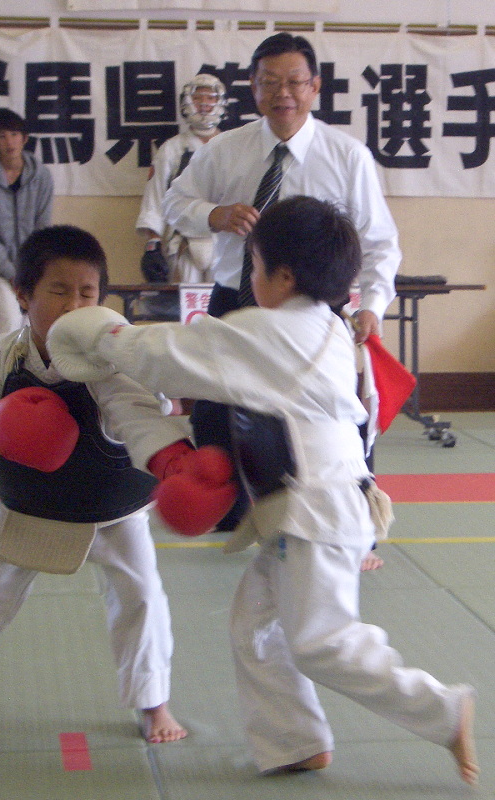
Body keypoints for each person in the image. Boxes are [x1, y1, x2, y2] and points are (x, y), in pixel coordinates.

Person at [46, 196, 478, 787]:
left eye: (253, 267)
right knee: (256, 626)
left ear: (282, 275)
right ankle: (294, 741)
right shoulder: (326, 325)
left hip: (317, 513)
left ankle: (444, 709)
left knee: (322, 641)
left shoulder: (267, 332)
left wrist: (97, 334)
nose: (249, 281)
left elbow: (165, 355)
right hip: (308, 510)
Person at [0, 224, 199, 744]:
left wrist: (173, 459)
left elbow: (141, 417)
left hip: (113, 509)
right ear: (23, 294)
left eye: (86, 292)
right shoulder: (3, 356)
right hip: (30, 508)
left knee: (143, 595)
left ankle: (154, 704)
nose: (72, 304)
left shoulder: (111, 357)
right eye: (58, 290)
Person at [162, 33, 401, 549]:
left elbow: (380, 244)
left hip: (318, 313)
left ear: (315, 87)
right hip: (236, 299)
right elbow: (174, 203)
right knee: (215, 412)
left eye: (295, 82)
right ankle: (230, 517)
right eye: (269, 82)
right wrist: (213, 215)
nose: (283, 93)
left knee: (339, 417)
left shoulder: (347, 156)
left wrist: (373, 308)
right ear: (253, 90)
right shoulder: (225, 151)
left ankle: (356, 530)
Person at [136, 73, 227, 284]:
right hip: (183, 240)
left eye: (210, 98)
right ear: (187, 102)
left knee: (222, 308)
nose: (204, 104)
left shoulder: (232, 146)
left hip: (223, 241)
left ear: (220, 102)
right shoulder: (171, 149)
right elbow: (155, 197)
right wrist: (153, 245)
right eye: (198, 98)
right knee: (186, 309)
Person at [0, 108, 54, 335]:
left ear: (25, 138)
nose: (10, 142)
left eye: (15, 134)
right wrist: (11, 273)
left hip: (33, 267)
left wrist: (29, 269)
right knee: (10, 321)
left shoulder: (42, 176)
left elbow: (43, 230)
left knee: (33, 326)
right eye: (2, 136)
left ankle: (28, 371)